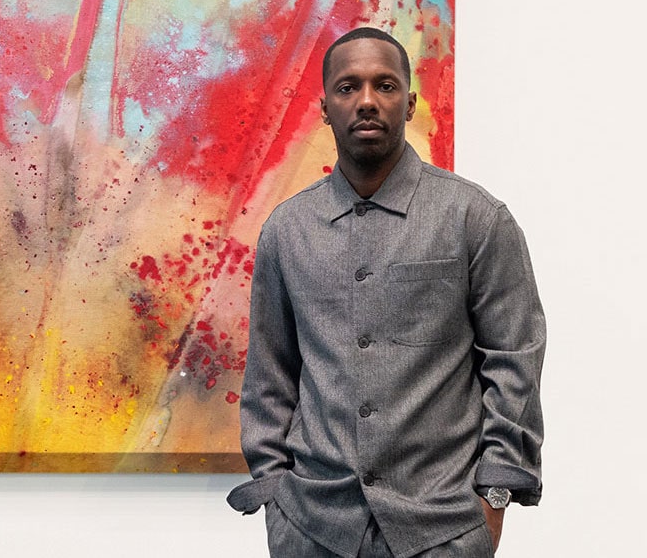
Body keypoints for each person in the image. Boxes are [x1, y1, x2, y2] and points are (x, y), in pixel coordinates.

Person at [226, 27, 545, 557]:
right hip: (312, 528)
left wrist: (496, 494)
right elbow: (270, 372)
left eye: (386, 85)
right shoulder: (287, 231)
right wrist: (274, 489)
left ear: (411, 102)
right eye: (348, 88)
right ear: (325, 107)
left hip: (443, 527)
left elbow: (516, 359)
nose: (367, 101)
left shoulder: (476, 219)